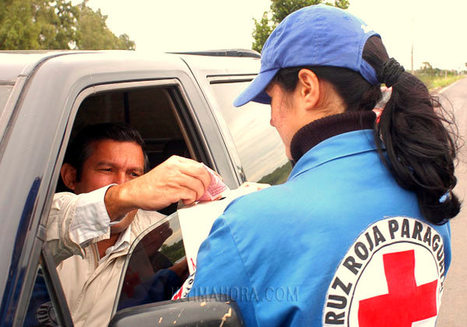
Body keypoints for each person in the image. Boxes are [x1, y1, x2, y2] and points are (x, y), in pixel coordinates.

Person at [182, 5, 460, 327]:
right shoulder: (429, 187)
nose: (271, 119)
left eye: (271, 98)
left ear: (307, 88)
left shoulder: (247, 226)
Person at [45, 123, 211, 327]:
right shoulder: (46, 219)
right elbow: (47, 226)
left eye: (134, 175)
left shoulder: (167, 233)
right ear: (70, 176)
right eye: (107, 169)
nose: (123, 184)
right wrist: (122, 197)